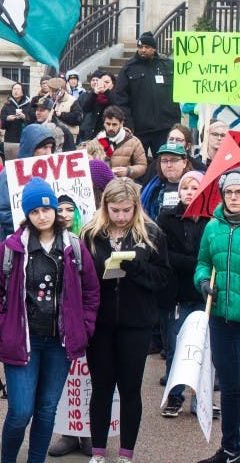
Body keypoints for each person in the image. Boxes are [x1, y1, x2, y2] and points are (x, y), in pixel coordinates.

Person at [0, 178, 100, 463]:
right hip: (23, 341)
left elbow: (91, 292)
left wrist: (83, 328)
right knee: (21, 411)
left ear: (55, 210)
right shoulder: (11, 247)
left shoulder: (73, 246)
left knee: (47, 409)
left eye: (47, 209)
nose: (42, 216)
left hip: (60, 343)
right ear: (28, 214)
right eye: (35, 211)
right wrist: (2, 328)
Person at [81, 178, 170, 463]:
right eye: (115, 210)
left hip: (136, 324)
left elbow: (163, 279)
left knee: (130, 389)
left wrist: (136, 268)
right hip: (101, 324)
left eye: (126, 210)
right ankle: (97, 452)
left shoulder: (152, 234)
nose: (121, 216)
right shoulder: (90, 234)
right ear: (105, 207)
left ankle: (126, 454)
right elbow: (82, 278)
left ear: (136, 207)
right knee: (101, 387)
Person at [195, 170, 240, 463]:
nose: (234, 198)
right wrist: (201, 282)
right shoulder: (212, 227)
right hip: (221, 319)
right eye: (230, 193)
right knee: (230, 385)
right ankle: (230, 448)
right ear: (222, 195)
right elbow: (202, 262)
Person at [155, 170, 207, 417]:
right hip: (175, 295)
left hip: (203, 295)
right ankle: (175, 397)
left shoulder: (211, 221)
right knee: (176, 347)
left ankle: (201, 400)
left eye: (194, 187)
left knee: (203, 349)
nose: (189, 192)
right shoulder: (167, 218)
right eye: (185, 188)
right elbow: (165, 255)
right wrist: (198, 264)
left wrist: (198, 264)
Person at [112, 31, 180, 156]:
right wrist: (128, 123)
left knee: (165, 162)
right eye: (140, 47)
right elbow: (120, 98)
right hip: (139, 129)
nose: (143, 50)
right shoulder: (128, 68)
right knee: (138, 164)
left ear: (154, 49)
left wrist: (175, 123)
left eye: (147, 47)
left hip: (164, 127)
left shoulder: (167, 66)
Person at [95, 106, 147, 180]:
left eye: (114, 124)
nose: (110, 128)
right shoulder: (97, 140)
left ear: (121, 123)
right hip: (101, 185)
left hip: (123, 185)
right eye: (108, 124)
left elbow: (142, 166)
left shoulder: (134, 142)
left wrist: (128, 171)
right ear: (104, 124)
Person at [46, 77, 84, 142]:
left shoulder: (72, 101)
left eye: (55, 91)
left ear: (62, 90)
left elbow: (78, 119)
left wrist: (62, 115)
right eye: (50, 90)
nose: (52, 93)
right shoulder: (48, 99)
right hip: (52, 136)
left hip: (69, 137)